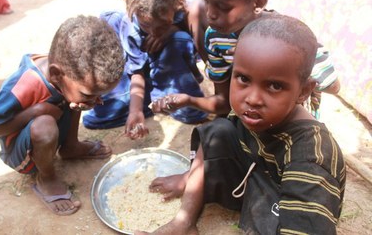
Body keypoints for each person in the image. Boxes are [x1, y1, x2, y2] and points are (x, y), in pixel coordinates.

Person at [136, 14, 346, 235]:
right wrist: (190, 179)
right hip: (256, 175)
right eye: (244, 79)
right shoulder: (252, 112)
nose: (253, 98)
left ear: (303, 91)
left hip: (282, 199)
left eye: (274, 86)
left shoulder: (311, 158)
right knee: (217, 131)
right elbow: (216, 142)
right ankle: (184, 223)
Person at [151, 0, 340, 121]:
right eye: (207, 2)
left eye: (223, 7)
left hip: (292, 128)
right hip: (253, 126)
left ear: (258, 3)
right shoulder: (217, 38)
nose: (210, 14)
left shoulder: (292, 42)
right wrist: (189, 101)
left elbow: (333, 86)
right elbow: (225, 102)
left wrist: (301, 75)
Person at [0, 15, 125, 215]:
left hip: (51, 128)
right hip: (21, 154)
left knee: (74, 100)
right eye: (89, 94)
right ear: (56, 74)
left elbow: (76, 94)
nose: (95, 101)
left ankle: (70, 147)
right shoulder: (24, 85)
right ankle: (45, 178)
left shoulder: (67, 72)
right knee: (45, 124)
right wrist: (37, 110)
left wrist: (87, 98)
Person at [82, 0, 208, 139]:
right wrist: (136, 111)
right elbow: (136, 73)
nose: (154, 33)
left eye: (163, 25)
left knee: (180, 41)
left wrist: (173, 30)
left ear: (175, 6)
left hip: (169, 62)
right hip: (140, 69)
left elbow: (203, 48)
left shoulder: (188, 7)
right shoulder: (131, 27)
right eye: (147, 26)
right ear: (136, 14)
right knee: (105, 113)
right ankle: (154, 92)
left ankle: (161, 90)